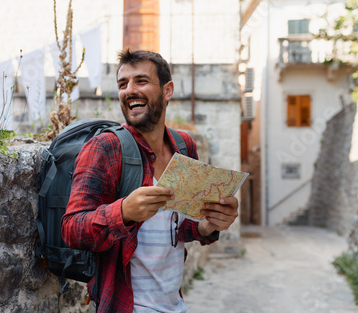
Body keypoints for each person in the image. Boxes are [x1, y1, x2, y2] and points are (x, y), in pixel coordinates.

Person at [61, 49, 239, 312]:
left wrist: (207, 226)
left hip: (175, 305)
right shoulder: (105, 148)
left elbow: (177, 226)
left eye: (141, 81)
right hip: (127, 306)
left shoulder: (184, 146)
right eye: (123, 84)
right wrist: (123, 212)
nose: (129, 90)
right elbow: (72, 229)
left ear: (167, 90)